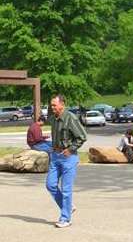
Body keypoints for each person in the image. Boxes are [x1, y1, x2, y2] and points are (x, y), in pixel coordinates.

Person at [46, 94, 87, 228]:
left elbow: (82, 136)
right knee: (50, 185)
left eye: (54, 105)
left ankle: (65, 218)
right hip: (55, 156)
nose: (52, 108)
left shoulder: (70, 118)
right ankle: (68, 206)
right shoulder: (53, 118)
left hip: (68, 157)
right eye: (51, 105)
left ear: (62, 104)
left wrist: (71, 149)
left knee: (66, 189)